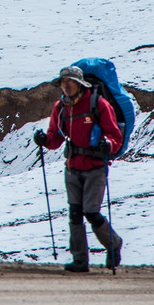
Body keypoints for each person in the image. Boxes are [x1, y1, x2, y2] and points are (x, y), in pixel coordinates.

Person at [34, 65, 123, 272]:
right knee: (75, 213)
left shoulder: (98, 104)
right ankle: (80, 260)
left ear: (79, 84)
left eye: (69, 82)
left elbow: (115, 136)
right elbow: (55, 137)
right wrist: (44, 140)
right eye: (63, 82)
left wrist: (108, 144)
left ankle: (114, 244)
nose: (65, 86)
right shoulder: (61, 107)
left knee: (91, 212)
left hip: (94, 167)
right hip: (73, 166)